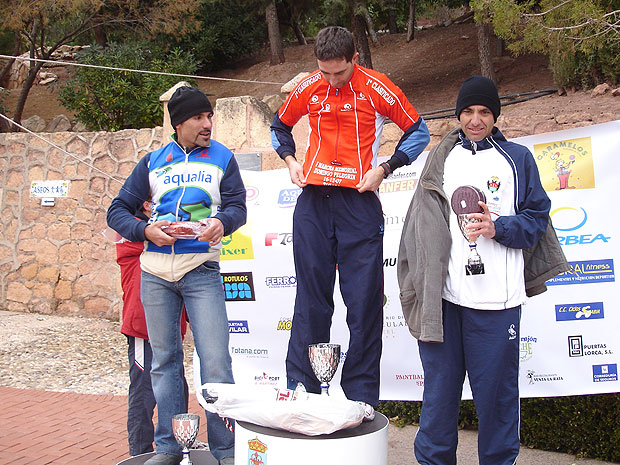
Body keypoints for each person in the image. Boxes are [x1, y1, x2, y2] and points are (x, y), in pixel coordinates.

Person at [397, 76, 568, 464]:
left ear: (495, 116)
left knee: (497, 400)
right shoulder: (440, 158)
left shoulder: (517, 159)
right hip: (444, 302)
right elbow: (417, 230)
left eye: (484, 112)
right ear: (458, 114)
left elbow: (537, 218)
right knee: (439, 400)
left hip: (497, 305)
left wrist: (498, 227)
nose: (476, 120)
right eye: (469, 112)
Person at [270, 25, 430, 420]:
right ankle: (303, 393)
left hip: (358, 202)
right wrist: (291, 162)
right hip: (313, 201)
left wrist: (386, 168)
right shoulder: (309, 86)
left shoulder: (377, 86)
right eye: (324, 72)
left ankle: (360, 400)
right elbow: (279, 127)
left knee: (363, 304)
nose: (330, 80)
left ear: (354, 59)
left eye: (338, 73)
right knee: (310, 299)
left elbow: (418, 131)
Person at [107, 85, 246, 465]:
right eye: (199, 117)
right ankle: (169, 448)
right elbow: (117, 210)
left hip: (200, 270)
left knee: (216, 362)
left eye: (209, 116)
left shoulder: (223, 158)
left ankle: (225, 450)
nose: (208, 123)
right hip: (154, 274)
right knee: (164, 363)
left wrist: (221, 221)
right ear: (180, 122)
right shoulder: (153, 161)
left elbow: (237, 207)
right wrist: (145, 230)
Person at [115, 200, 189, 456]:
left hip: (170, 327)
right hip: (143, 329)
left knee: (176, 388)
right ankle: (140, 453)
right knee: (144, 394)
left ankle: (178, 447)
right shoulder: (134, 237)